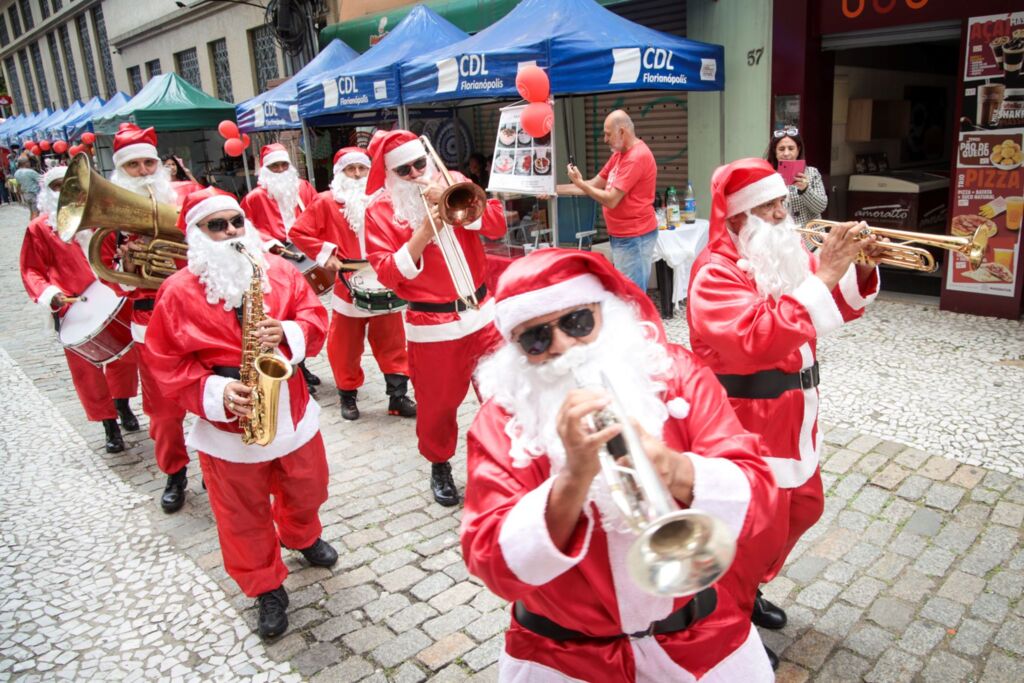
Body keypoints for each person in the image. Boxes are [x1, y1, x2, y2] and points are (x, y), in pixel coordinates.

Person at [462, 248, 780, 680]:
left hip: (703, 642)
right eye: (535, 338)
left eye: (578, 322)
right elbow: (491, 560)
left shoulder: (675, 374)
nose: (561, 346)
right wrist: (572, 478)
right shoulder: (501, 420)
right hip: (563, 658)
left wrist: (672, 468)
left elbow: (761, 494)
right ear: (517, 350)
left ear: (605, 311)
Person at [687, 158, 880, 657]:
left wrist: (860, 264)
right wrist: (830, 269)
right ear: (736, 219)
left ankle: (746, 590)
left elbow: (834, 302)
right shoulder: (713, 274)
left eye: (780, 202)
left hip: (794, 418)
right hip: (745, 425)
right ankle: (731, 627)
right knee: (748, 533)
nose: (783, 213)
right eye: (769, 207)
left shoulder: (782, 254)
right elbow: (755, 338)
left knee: (803, 508)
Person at [145, 187, 337, 639]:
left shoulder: (278, 271)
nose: (232, 231)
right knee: (241, 514)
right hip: (226, 420)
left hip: (289, 406)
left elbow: (314, 316)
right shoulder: (175, 293)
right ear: (197, 234)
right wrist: (212, 390)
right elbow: (164, 361)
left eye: (236, 222)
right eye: (218, 225)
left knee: (309, 486)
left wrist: (288, 331)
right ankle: (265, 586)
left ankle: (301, 533)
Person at [364, 130, 507, 507]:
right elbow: (388, 274)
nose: (414, 173)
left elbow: (497, 226)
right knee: (438, 407)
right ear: (390, 174)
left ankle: (509, 464)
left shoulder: (455, 181)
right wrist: (427, 229)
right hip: (432, 326)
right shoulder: (379, 211)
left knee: (503, 393)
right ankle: (440, 465)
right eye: (404, 169)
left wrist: (460, 209)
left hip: (483, 315)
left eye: (419, 164)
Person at [100, 123, 202, 513]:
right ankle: (174, 472)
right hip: (148, 321)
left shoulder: (188, 196)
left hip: (197, 313)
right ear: (120, 170)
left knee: (213, 393)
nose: (143, 171)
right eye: (133, 165)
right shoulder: (110, 214)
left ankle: (216, 463)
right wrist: (125, 268)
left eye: (148, 162)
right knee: (162, 409)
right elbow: (104, 271)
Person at [19, 165, 141, 453]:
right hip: (73, 307)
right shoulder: (39, 229)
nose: (64, 192)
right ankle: (108, 423)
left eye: (70, 185)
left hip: (112, 297)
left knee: (125, 359)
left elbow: (116, 254)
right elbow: (31, 270)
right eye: (57, 187)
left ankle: (122, 405)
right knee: (86, 370)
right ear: (47, 193)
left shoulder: (101, 221)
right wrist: (50, 294)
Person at [290, 147, 416, 421]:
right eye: (351, 169)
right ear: (340, 173)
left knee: (393, 342)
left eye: (363, 169)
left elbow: (405, 231)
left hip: (383, 278)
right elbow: (298, 231)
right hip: (347, 283)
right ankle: (347, 395)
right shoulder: (325, 202)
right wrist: (326, 254)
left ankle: (398, 397)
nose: (358, 175)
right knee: (344, 346)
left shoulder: (386, 199)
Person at [240, 143, 322, 391]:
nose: (280, 170)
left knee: (304, 313)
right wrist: (270, 243)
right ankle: (298, 367)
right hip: (276, 260)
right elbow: (247, 229)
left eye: (284, 165)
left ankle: (303, 360)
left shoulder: (304, 188)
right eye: (274, 166)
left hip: (303, 255)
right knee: (284, 313)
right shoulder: (254, 197)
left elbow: (319, 213)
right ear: (265, 170)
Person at [554, 110, 658, 291]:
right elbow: (593, 184)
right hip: (622, 236)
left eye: (608, 134)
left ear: (622, 132)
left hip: (634, 237)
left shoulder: (636, 157)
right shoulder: (619, 155)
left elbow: (611, 200)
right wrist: (552, 190)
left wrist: (580, 183)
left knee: (631, 297)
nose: (604, 139)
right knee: (626, 293)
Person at [766, 127, 828, 250]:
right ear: (775, 151)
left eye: (791, 148)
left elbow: (821, 206)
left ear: (798, 150)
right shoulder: (767, 175)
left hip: (811, 243)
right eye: (781, 149)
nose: (786, 153)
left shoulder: (811, 173)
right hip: (778, 244)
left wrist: (805, 189)